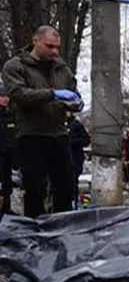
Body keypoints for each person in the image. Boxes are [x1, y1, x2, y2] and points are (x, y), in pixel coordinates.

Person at [1, 26, 80, 217]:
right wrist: (52, 94)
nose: (54, 51)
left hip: (59, 133)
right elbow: (19, 94)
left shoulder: (61, 68)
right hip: (31, 134)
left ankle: (62, 227)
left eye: (57, 47)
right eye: (49, 46)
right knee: (35, 189)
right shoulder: (16, 66)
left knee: (66, 187)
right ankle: (35, 230)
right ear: (36, 41)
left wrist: (75, 103)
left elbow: (72, 91)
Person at [0, 85, 15, 214]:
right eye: (2, 96)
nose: (5, 99)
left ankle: (6, 209)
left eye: (6, 96)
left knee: (6, 186)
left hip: (8, 158)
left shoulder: (11, 115)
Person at [66, 112, 90, 179]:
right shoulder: (57, 125)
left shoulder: (76, 125)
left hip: (75, 159)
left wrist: (72, 141)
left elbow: (86, 140)